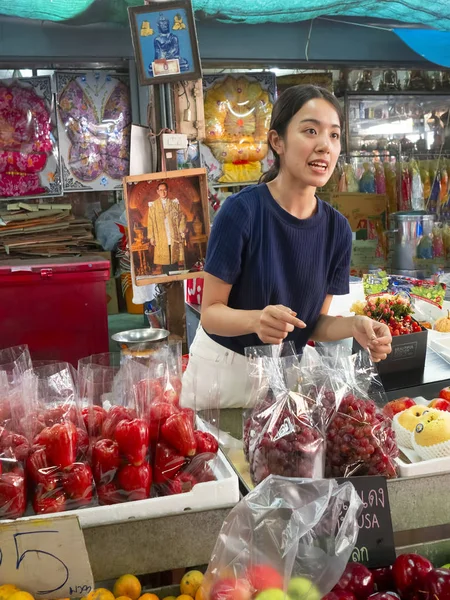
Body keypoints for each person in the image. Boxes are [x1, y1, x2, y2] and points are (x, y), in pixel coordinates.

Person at [181, 84, 392, 410]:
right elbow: (210, 314)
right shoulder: (242, 212)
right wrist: (255, 321)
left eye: (334, 136)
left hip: (284, 379)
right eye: (311, 131)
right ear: (277, 141)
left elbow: (314, 324)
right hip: (224, 375)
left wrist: (355, 326)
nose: (324, 145)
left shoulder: (337, 229)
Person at [147, 182, 186, 275]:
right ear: (158, 192)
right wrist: (151, 237)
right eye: (161, 190)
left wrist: (181, 230)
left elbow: (182, 217)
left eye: (165, 190)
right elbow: (150, 221)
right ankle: (167, 280)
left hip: (173, 234)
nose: (163, 192)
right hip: (161, 236)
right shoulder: (153, 206)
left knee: (174, 256)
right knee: (165, 259)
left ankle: (175, 279)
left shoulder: (174, 203)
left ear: (167, 191)